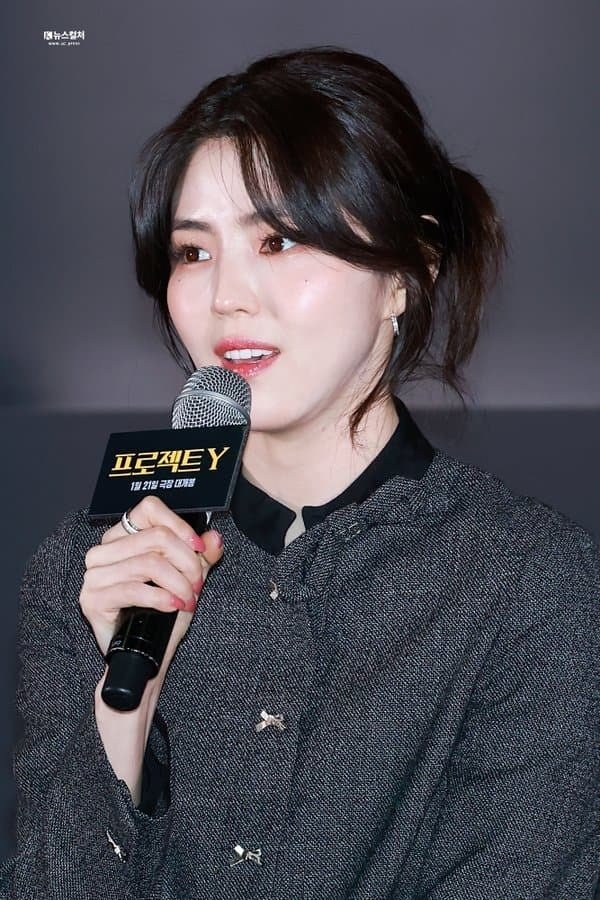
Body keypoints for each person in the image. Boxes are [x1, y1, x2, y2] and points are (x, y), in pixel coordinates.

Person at [1, 46, 598, 900]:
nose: (227, 298)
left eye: (277, 240)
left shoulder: (529, 587)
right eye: (192, 253)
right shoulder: (89, 574)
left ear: (406, 273)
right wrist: (120, 716)